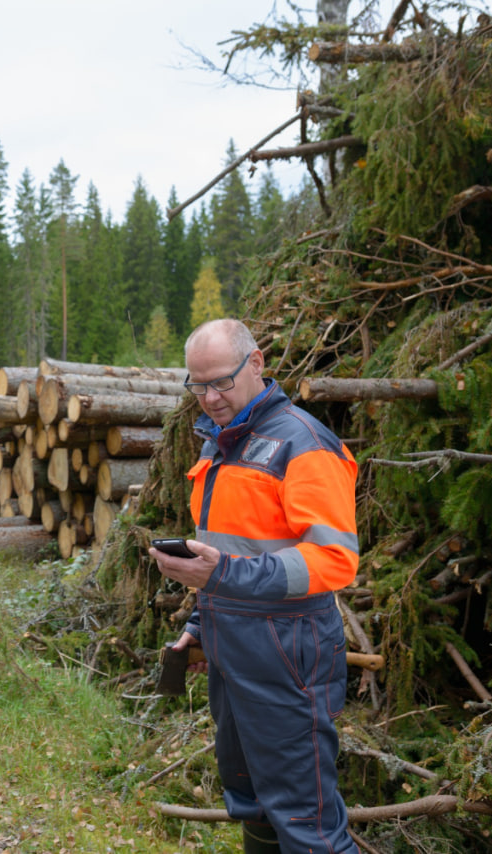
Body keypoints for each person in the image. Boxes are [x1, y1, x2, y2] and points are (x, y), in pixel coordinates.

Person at [150, 318, 360, 854]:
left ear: (258, 363)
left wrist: (222, 575)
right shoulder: (219, 445)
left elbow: (335, 561)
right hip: (231, 648)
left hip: (289, 655)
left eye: (221, 381)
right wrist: (199, 627)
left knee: (305, 822)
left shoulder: (305, 443)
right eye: (197, 386)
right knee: (252, 801)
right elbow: (227, 547)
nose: (210, 398)